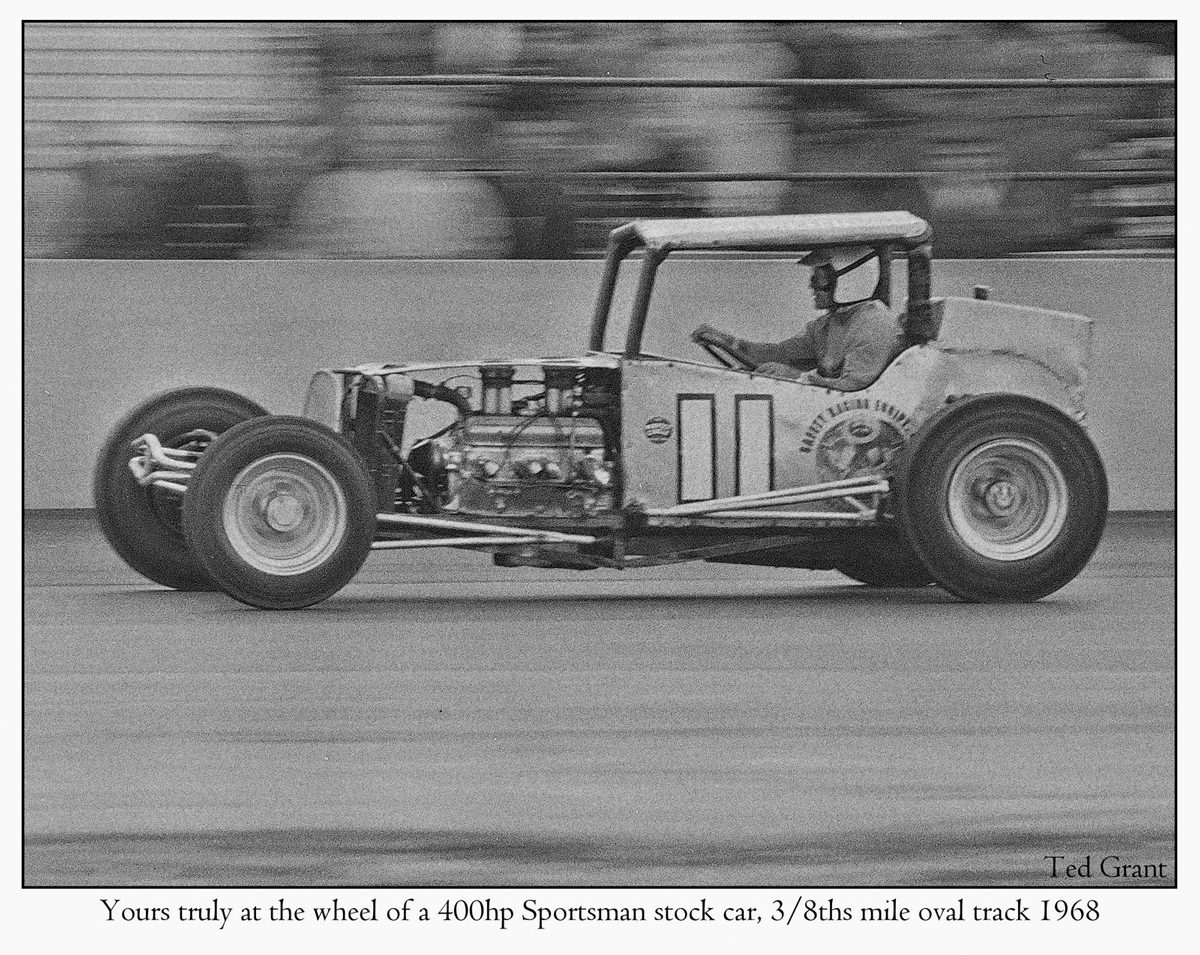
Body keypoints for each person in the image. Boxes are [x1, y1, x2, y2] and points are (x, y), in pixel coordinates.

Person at [691, 250, 905, 391]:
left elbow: (852, 389)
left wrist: (795, 377)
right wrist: (724, 340)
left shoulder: (873, 325)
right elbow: (778, 354)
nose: (811, 287)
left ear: (849, 280)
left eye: (818, 280)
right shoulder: (825, 326)